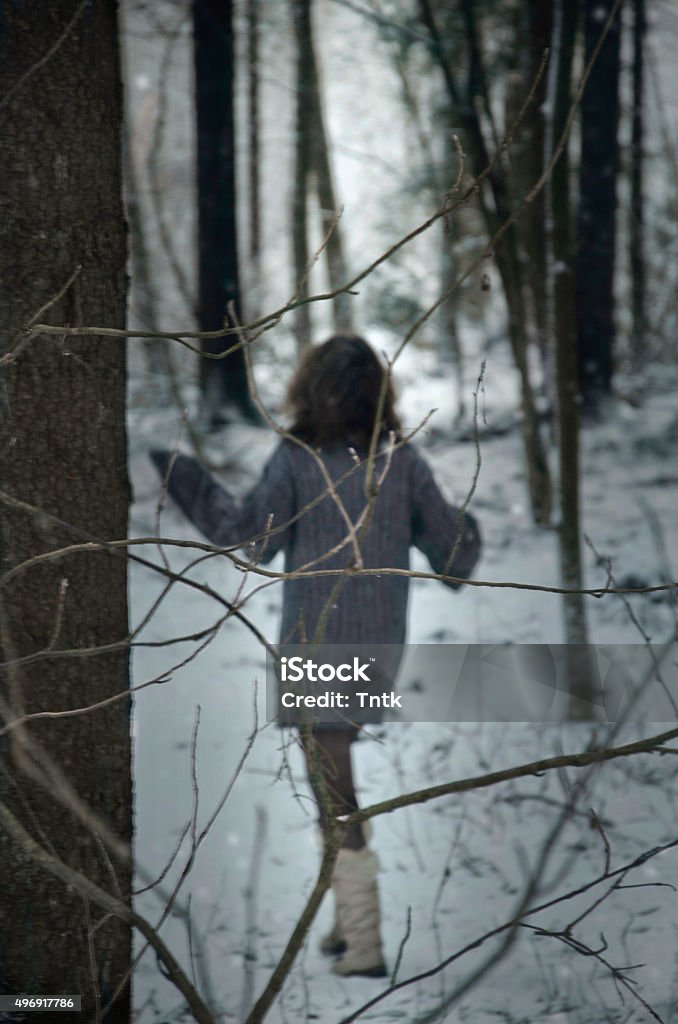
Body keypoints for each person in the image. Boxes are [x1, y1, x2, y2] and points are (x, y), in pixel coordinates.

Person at [150, 335, 481, 978]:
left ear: (312, 390)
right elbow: (456, 560)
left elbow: (247, 536)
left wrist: (175, 472)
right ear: (378, 394)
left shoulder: (300, 459)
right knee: (332, 780)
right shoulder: (400, 462)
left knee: (332, 788)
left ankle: (364, 941)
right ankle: (346, 922)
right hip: (377, 647)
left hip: (319, 648)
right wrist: (469, 527)